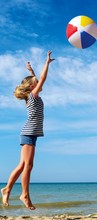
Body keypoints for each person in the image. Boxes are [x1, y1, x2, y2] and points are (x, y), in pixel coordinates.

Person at [1, 51, 55, 210]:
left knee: (23, 164)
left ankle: (7, 189)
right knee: (28, 165)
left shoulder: (32, 95)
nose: (39, 83)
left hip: (30, 133)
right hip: (29, 132)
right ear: (33, 86)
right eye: (36, 82)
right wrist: (46, 63)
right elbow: (42, 79)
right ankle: (24, 194)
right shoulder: (32, 95)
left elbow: (37, 80)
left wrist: (31, 71)